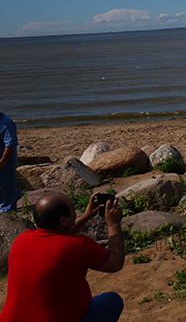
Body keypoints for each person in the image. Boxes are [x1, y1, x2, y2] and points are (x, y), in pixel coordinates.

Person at [0, 191, 125, 322]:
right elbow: (115, 262)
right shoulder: (79, 245)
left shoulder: (21, 239)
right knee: (112, 301)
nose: (75, 212)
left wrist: (86, 216)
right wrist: (113, 224)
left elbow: (59, 234)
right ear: (63, 220)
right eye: (73, 209)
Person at [0, 111, 21, 212]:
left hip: (5, 161)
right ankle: (16, 194)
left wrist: (3, 161)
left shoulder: (5, 123)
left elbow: (11, 144)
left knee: (6, 185)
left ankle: (8, 211)